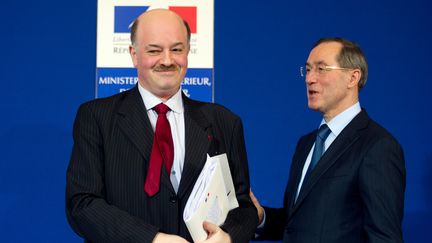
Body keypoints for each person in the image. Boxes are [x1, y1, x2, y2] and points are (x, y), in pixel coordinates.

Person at [66, 9, 257, 243]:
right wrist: (152, 239)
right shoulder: (97, 117)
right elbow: (83, 204)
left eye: (177, 49)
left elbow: (243, 206)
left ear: (187, 52)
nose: (167, 60)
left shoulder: (224, 122)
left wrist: (227, 237)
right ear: (133, 55)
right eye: (154, 50)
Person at [251, 37, 406, 243]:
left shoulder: (378, 146)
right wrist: (262, 217)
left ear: (353, 78)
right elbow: (298, 224)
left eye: (321, 69)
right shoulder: (306, 144)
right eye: (307, 70)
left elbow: (384, 238)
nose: (309, 79)